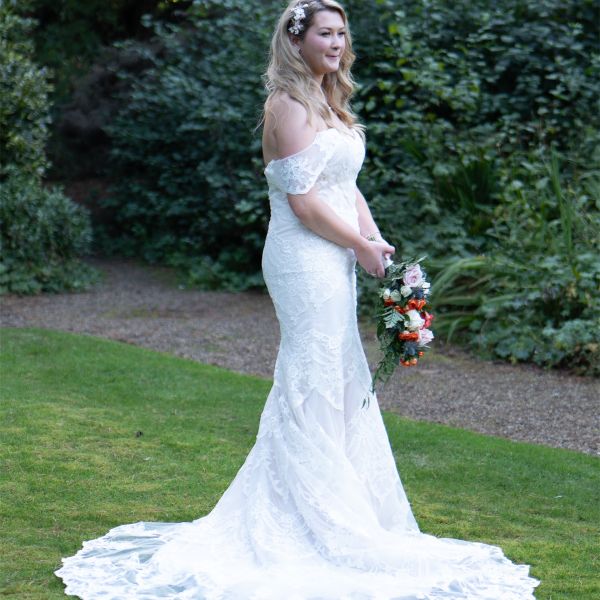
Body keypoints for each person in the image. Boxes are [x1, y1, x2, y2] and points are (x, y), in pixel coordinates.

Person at [55, 1, 540, 598]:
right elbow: (305, 204)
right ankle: (312, 518)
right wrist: (359, 247)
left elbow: (345, 186)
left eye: (342, 34)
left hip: (334, 250)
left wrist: (373, 236)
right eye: (325, 34)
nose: (336, 43)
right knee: (310, 375)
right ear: (297, 40)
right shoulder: (286, 107)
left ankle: (344, 506)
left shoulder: (331, 103)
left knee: (339, 375)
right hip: (303, 258)